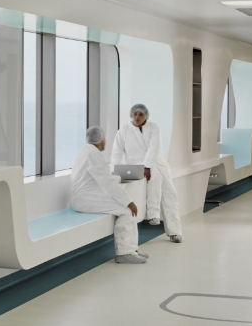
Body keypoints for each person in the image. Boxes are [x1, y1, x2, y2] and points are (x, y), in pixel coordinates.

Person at [71, 126, 147, 264]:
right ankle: (125, 253)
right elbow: (107, 183)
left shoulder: (86, 151)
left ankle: (132, 249)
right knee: (127, 210)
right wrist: (129, 202)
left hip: (84, 197)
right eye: (104, 138)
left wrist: (118, 178)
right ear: (100, 140)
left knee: (125, 208)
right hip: (85, 199)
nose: (105, 142)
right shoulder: (94, 154)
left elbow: (102, 176)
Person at [111, 103, 182, 242]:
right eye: (135, 114)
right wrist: (115, 171)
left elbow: (154, 148)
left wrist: (148, 166)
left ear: (146, 116)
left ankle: (175, 231)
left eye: (141, 114)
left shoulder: (153, 128)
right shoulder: (124, 130)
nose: (137, 117)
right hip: (136, 166)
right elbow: (116, 152)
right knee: (152, 181)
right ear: (131, 115)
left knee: (170, 195)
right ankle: (152, 215)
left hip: (157, 164)